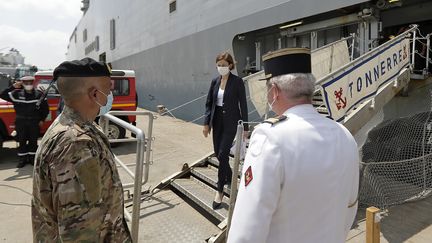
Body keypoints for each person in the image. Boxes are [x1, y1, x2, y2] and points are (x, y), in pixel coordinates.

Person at [227, 48, 359, 243]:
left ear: (274, 91)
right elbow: (350, 208)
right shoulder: (345, 135)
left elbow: (247, 230)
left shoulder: (270, 137)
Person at [32, 58, 132, 242]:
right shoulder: (76, 144)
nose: (110, 95)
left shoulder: (79, 127)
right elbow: (79, 232)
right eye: (108, 91)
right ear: (95, 94)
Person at [203, 51, 249, 209]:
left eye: (223, 65)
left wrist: (246, 128)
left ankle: (220, 189)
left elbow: (243, 104)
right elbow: (209, 104)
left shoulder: (237, 82)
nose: (221, 68)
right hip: (217, 122)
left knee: (223, 154)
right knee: (218, 153)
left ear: (230, 65)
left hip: (232, 123)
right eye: (218, 65)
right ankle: (229, 176)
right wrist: (206, 123)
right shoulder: (214, 81)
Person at [0, 76, 49, 168]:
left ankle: (32, 158)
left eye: (30, 82)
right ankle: (22, 159)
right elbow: (2, 95)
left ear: (33, 83)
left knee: (33, 141)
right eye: (26, 83)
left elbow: (45, 109)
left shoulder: (39, 94)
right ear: (22, 83)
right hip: (21, 122)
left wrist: (42, 119)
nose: (28, 84)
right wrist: (13, 86)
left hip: (34, 121)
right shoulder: (16, 94)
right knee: (21, 140)